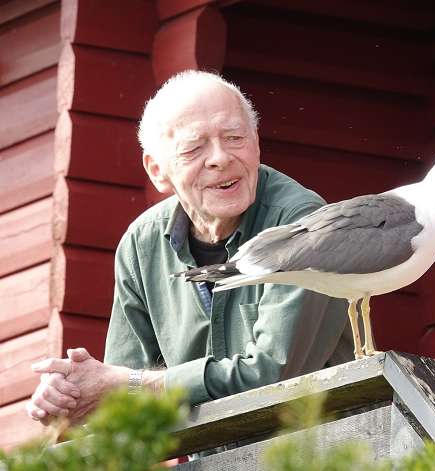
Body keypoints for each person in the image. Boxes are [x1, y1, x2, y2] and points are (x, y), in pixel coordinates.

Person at [25, 71, 354, 434]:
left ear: (256, 141)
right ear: (157, 170)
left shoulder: (301, 223)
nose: (220, 158)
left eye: (235, 137)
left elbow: (272, 376)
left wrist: (134, 385)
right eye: (194, 148)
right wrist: (71, 398)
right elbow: (119, 401)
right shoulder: (142, 244)